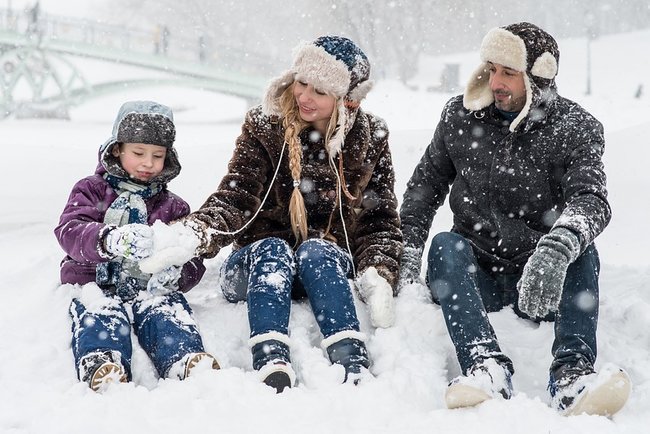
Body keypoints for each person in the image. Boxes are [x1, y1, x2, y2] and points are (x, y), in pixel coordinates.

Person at [144, 36, 402, 393]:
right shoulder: (264, 126)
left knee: (317, 250)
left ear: (347, 100)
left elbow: (380, 218)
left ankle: (350, 359)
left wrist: (378, 270)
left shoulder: (371, 136)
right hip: (257, 267)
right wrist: (194, 233)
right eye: (302, 82)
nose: (304, 97)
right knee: (274, 250)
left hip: (322, 269)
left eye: (320, 91)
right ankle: (270, 356)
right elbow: (236, 196)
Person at [399, 22, 631, 416]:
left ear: (537, 78)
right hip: (475, 276)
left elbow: (591, 199)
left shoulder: (575, 128)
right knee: (444, 245)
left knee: (582, 249)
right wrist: (405, 253)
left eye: (508, 72)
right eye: (491, 69)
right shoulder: (459, 117)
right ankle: (484, 365)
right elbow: (423, 191)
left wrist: (557, 248)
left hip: (542, 282)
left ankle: (572, 376)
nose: (496, 82)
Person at [54, 100, 219, 392]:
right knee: (101, 312)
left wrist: (178, 273)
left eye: (157, 156)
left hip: (148, 287)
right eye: (139, 153)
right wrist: (108, 239)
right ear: (117, 149)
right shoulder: (91, 190)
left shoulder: (173, 206)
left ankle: (183, 357)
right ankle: (102, 360)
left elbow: (190, 256)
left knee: (166, 310)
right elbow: (70, 230)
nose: (148, 163)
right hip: (95, 281)